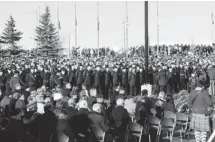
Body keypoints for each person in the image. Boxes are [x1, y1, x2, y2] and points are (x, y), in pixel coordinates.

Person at [188, 75, 213, 142]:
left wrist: (192, 108)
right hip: (203, 113)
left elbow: (189, 103)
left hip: (194, 113)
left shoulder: (193, 92)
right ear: (204, 86)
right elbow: (210, 103)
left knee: (197, 131)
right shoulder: (205, 92)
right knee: (203, 132)